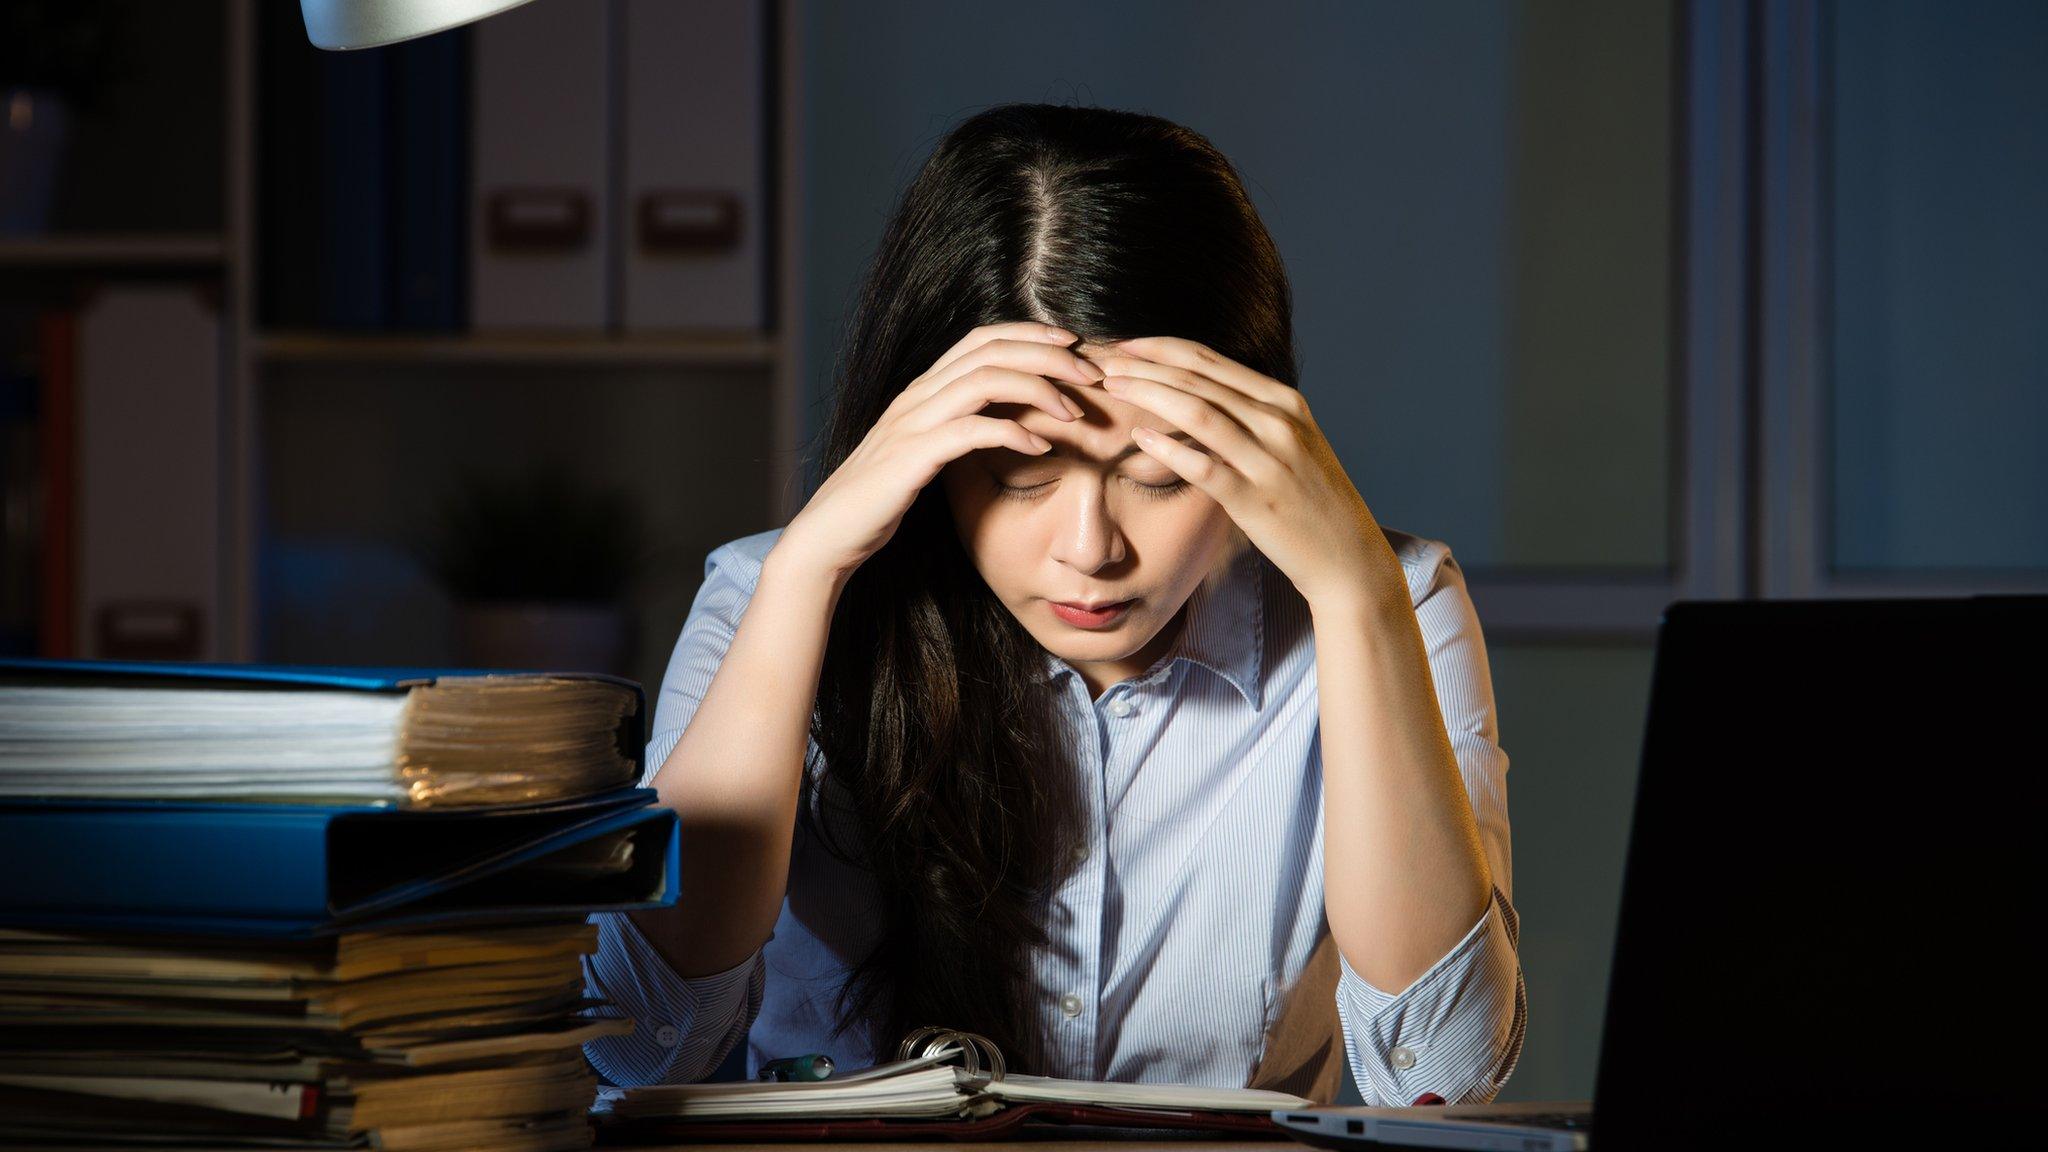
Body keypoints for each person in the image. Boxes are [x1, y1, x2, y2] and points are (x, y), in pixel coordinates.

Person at [582, 103, 1524, 1107]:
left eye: (1158, 476)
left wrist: (1353, 594)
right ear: (926, 452)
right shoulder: (773, 596)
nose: (1091, 550)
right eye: (1018, 475)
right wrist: (810, 568)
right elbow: (640, 1046)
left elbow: (1443, 1075)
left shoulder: (1389, 602)